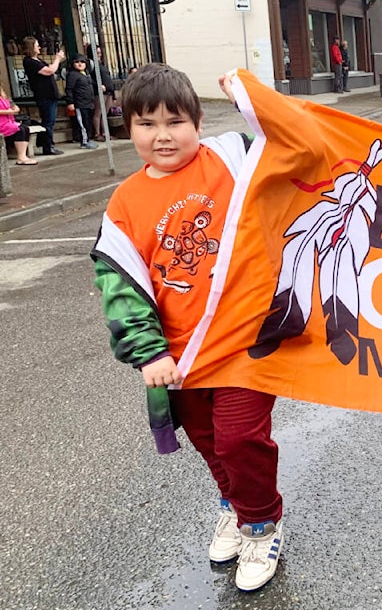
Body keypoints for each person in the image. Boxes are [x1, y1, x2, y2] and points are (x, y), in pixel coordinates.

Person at [90, 64, 285, 591]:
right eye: (146, 124)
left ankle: (262, 522)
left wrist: (251, 100)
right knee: (208, 441)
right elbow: (120, 284)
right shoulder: (124, 203)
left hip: (247, 340)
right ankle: (234, 507)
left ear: (198, 121)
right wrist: (148, 352)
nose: (162, 135)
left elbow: (286, 141)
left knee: (240, 437)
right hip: (182, 356)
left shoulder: (230, 155)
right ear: (127, 129)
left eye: (175, 121)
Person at [22, 36, 66, 156]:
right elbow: (49, 71)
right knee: (48, 121)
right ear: (31, 47)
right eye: (37, 45)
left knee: (49, 120)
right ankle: (48, 146)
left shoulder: (38, 60)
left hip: (50, 94)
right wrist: (57, 59)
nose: (39, 47)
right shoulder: (29, 61)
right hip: (44, 95)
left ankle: (45, 143)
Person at [65, 54, 98, 149]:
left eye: (82, 62)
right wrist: (70, 102)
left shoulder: (86, 74)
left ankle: (87, 139)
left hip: (88, 103)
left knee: (87, 122)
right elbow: (69, 89)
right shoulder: (72, 75)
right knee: (82, 123)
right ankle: (84, 141)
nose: (80, 64)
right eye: (77, 62)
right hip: (80, 103)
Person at [0, 83, 38, 165]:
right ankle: (21, 157)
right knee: (19, 130)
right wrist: (8, 112)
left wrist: (15, 109)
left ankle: (22, 155)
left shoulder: (4, 96)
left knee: (25, 128)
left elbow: (13, 105)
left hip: (8, 121)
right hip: (1, 123)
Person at [86, 44, 115, 141]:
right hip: (99, 92)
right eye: (96, 53)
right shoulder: (91, 64)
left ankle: (105, 132)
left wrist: (113, 93)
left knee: (104, 114)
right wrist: (98, 85)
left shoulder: (101, 64)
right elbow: (89, 78)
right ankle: (97, 133)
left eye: (99, 53)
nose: (99, 55)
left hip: (108, 91)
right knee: (98, 113)